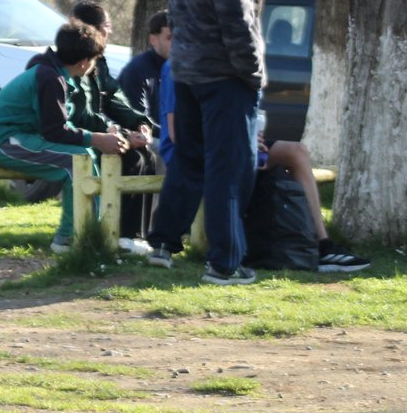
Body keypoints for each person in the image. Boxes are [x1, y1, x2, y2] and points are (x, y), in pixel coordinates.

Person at [145, 0, 266, 286]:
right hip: (224, 76)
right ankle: (225, 264)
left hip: (187, 73)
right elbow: (238, 25)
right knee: (230, 169)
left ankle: (162, 242)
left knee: (191, 160)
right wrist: (252, 74)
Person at [156, 60, 369, 273]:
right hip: (202, 151)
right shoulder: (180, 66)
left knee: (297, 152)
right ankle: (230, 250)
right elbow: (180, 135)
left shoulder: (230, 64)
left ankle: (322, 244)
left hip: (234, 142)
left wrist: (251, 135)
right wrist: (242, 139)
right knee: (233, 168)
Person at [0, 19, 129, 254]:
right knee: (75, 162)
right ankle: (68, 238)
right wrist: (97, 139)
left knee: (83, 156)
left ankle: (93, 231)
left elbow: (60, 123)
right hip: (3, 140)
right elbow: (55, 130)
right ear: (84, 62)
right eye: (95, 61)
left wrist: (102, 132)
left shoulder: (53, 73)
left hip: (20, 136)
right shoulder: (50, 78)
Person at [70, 1, 159, 256]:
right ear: (94, 30)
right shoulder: (75, 61)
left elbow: (116, 101)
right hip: (78, 137)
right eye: (108, 27)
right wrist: (119, 133)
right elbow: (81, 114)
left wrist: (141, 124)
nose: (110, 32)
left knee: (148, 156)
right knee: (130, 157)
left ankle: (139, 235)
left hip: (102, 132)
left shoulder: (101, 63)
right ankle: (120, 235)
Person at [117, 9, 171, 124]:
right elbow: (138, 119)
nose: (176, 43)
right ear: (153, 39)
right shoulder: (137, 70)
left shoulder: (183, 70)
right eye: (169, 38)